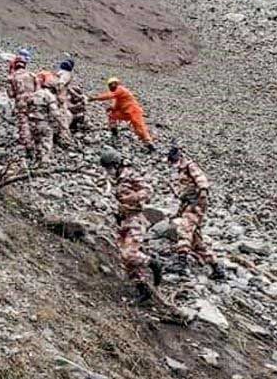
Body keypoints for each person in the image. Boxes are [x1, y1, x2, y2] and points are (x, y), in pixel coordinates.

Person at [100, 148, 162, 304]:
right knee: (126, 259)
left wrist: (131, 198)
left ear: (117, 164)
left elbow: (148, 190)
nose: (109, 171)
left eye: (110, 167)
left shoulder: (130, 175)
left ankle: (153, 263)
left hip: (135, 220)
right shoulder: (115, 179)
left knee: (129, 254)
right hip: (122, 221)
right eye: (107, 168)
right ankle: (143, 291)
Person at [167, 145, 225, 280]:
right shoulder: (181, 169)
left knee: (184, 229)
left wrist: (202, 194)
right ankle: (216, 267)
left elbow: (201, 179)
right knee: (196, 241)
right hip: (189, 204)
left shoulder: (189, 165)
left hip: (195, 204)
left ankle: (181, 263)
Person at [89, 77, 154, 151]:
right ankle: (114, 129)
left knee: (140, 128)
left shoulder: (120, 89)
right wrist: (111, 108)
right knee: (112, 115)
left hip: (134, 111)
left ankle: (148, 142)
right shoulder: (117, 97)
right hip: (125, 113)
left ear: (117, 83)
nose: (111, 86)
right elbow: (116, 106)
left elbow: (109, 95)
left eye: (113, 84)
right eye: (110, 85)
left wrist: (95, 98)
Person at [26, 77, 62, 166]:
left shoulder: (34, 94)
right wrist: (60, 123)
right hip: (43, 122)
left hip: (32, 122)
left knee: (37, 141)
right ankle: (44, 162)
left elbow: (27, 106)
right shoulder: (49, 95)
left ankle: (36, 160)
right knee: (47, 140)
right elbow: (54, 112)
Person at [6, 56, 37, 159]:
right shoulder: (32, 75)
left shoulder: (13, 77)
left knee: (23, 123)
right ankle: (36, 143)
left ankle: (28, 146)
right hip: (33, 101)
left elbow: (10, 94)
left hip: (21, 102)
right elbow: (38, 90)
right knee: (33, 122)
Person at [51, 59, 74, 146]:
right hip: (60, 98)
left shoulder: (58, 73)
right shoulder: (66, 74)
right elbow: (61, 84)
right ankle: (65, 139)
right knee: (64, 117)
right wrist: (60, 96)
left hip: (53, 97)